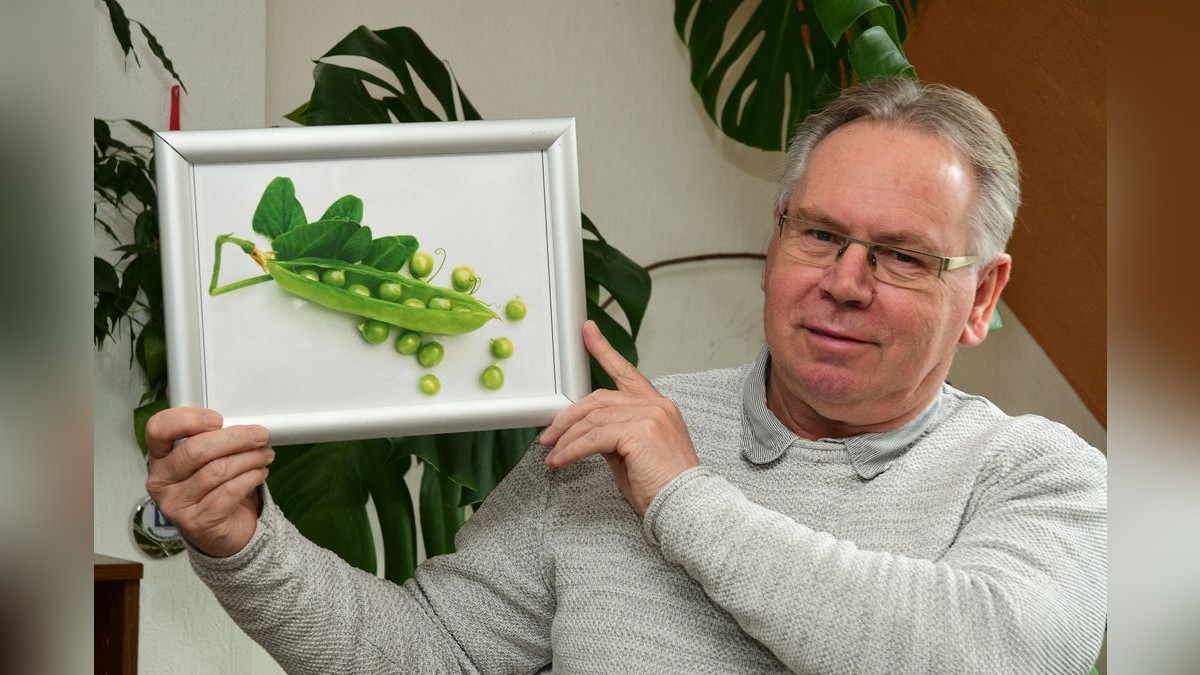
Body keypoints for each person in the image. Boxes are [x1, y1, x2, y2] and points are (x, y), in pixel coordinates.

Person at [146, 76, 1106, 673]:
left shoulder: (1039, 475)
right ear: (776, 242)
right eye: (819, 234)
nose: (844, 284)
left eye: (902, 256)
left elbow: (986, 653)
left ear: (982, 295)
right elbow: (436, 654)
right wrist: (244, 544)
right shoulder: (621, 431)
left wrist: (682, 498)